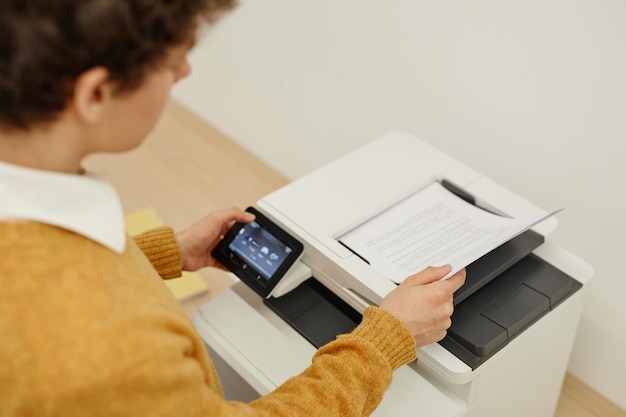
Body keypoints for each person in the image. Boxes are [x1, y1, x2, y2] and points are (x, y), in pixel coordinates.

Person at [0, 1, 466, 416]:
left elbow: (58, 266)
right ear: (95, 94)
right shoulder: (113, 351)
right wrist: (383, 344)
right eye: (169, 61)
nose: (184, 72)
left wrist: (169, 251)